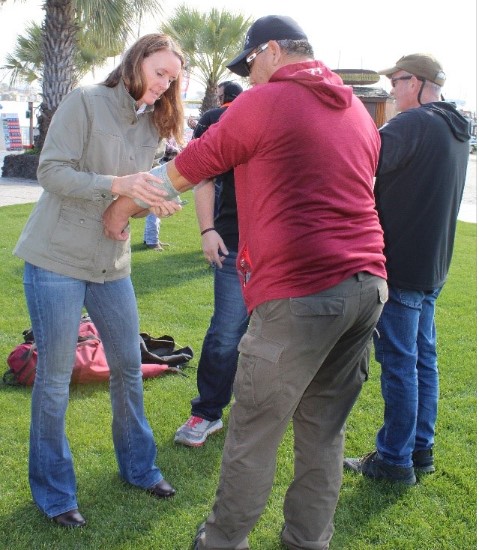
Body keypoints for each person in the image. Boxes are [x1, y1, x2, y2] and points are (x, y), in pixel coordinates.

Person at [103, 14, 388, 550]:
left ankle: (220, 541)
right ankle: (307, 542)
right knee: (323, 434)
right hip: (367, 288)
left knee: (253, 436)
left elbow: (189, 166)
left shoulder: (263, 101)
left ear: (273, 51)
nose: (249, 75)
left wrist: (119, 213)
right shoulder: (356, 109)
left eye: (250, 62)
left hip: (301, 294)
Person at [13, 33, 186, 528]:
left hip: (112, 264)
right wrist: (117, 185)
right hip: (56, 260)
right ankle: (54, 494)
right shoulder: (85, 101)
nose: (164, 84)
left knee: (130, 367)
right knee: (54, 381)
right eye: (160, 72)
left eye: (172, 78)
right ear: (137, 61)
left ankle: (139, 468)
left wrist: (147, 200)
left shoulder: (154, 123)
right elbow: (51, 172)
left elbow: (126, 199)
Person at [343, 54, 470, 485]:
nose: (392, 92)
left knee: (399, 363)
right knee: (422, 361)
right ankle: (420, 449)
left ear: (415, 82)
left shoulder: (413, 123)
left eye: (396, 82)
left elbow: (357, 161)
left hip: (399, 264)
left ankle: (395, 460)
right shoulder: (456, 127)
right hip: (433, 266)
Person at [174, 81, 249, 447]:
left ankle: (257, 414)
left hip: (286, 251)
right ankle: (207, 413)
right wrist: (207, 229)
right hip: (235, 244)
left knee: (278, 339)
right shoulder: (219, 119)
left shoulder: (295, 116)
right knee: (225, 334)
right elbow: (201, 174)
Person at [143, 138, 181, 251]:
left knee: (156, 211)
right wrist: (175, 150)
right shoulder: (161, 137)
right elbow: (168, 151)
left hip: (163, 174)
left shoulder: (168, 137)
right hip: (158, 175)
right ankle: (152, 241)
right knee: (155, 211)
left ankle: (150, 238)